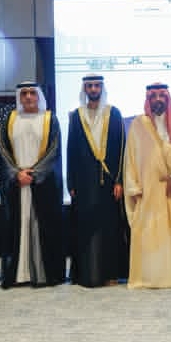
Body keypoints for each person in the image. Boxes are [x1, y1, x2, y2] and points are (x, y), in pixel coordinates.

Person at [123, 83, 171, 289]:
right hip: (149, 189)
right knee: (151, 232)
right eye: (153, 96)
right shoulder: (139, 124)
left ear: (167, 98)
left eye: (161, 96)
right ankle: (151, 277)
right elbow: (130, 158)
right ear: (148, 99)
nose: (157, 100)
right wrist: (133, 188)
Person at [0, 81, 65, 288]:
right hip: (17, 184)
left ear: (39, 96)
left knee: (42, 227)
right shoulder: (10, 120)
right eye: (24, 93)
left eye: (32, 93)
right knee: (17, 227)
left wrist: (34, 174)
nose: (28, 97)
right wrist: (16, 174)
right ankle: (18, 274)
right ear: (19, 96)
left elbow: (54, 150)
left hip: (41, 184)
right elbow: (3, 149)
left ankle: (44, 274)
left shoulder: (49, 119)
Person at [67, 74, 129, 287]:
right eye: (89, 86)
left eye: (96, 86)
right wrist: (71, 183)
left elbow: (122, 148)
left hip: (109, 183)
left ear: (102, 88)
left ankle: (110, 273)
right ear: (84, 89)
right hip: (84, 183)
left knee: (109, 228)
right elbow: (71, 150)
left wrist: (120, 180)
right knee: (86, 228)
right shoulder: (77, 116)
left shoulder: (114, 113)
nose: (93, 89)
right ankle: (87, 273)